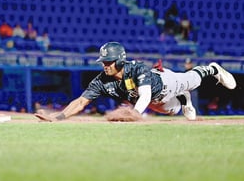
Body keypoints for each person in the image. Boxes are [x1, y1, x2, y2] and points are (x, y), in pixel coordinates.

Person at [35, 42, 236, 122]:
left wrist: (134, 115)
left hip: (166, 83)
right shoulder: (102, 81)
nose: (105, 65)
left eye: (108, 61)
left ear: (120, 60)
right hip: (156, 103)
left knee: (192, 80)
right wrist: (58, 117)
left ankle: (212, 68)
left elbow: (145, 94)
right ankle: (184, 100)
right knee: (173, 111)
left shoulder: (136, 68)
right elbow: (80, 102)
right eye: (103, 61)